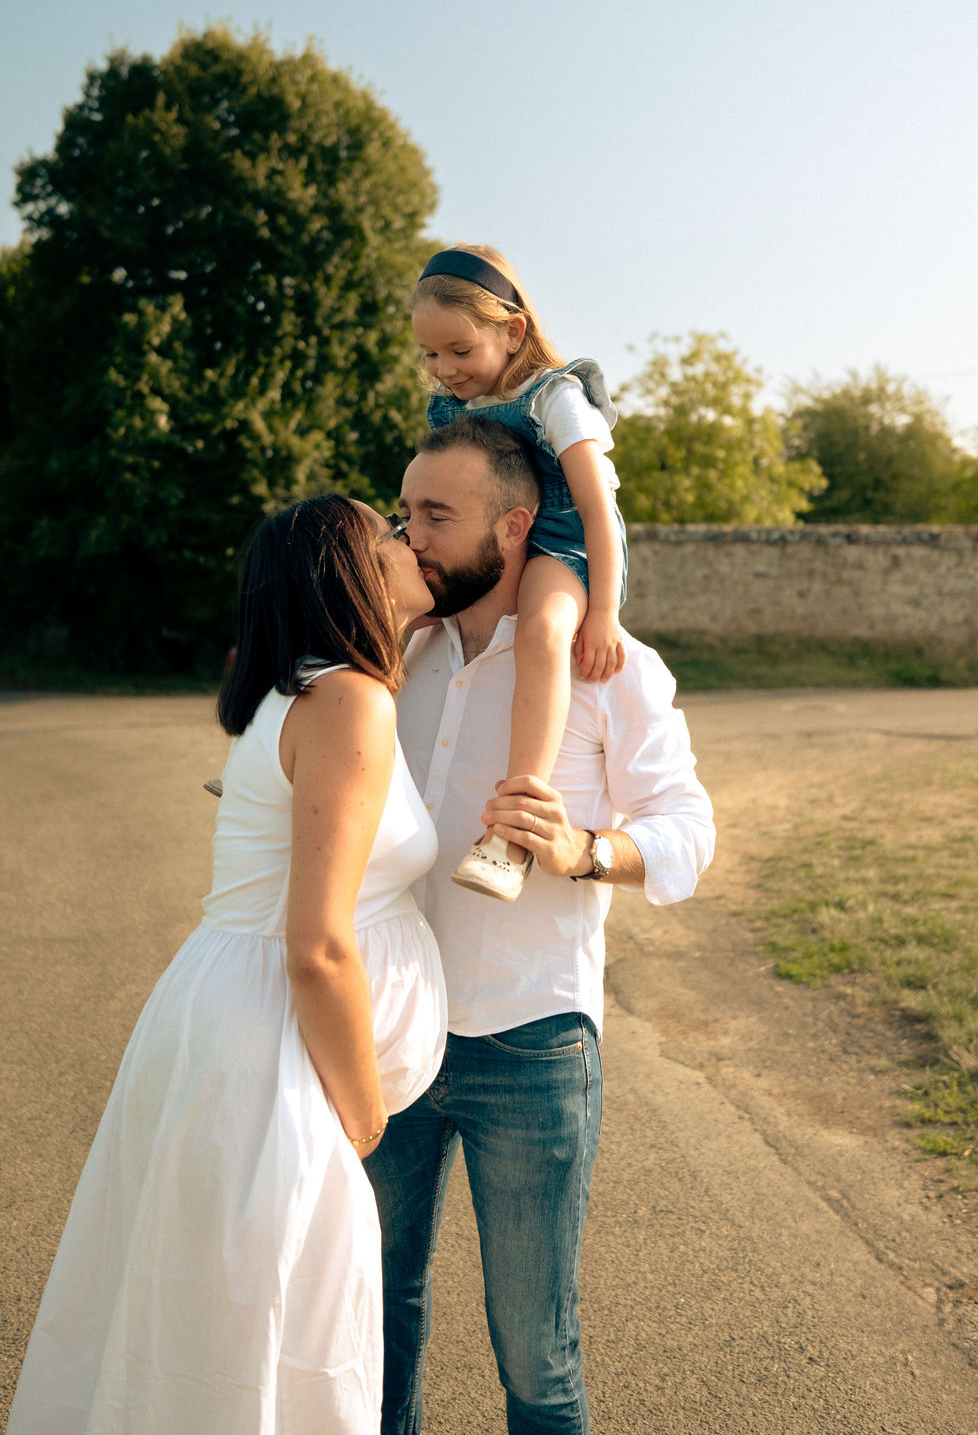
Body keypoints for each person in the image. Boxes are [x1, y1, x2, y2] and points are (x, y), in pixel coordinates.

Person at [8, 496, 448, 1435]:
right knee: (265, 1325)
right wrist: (364, 1110)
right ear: (353, 574)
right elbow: (317, 944)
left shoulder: (308, 691)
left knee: (212, 1316)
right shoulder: (349, 701)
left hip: (232, 1018)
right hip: (273, 1051)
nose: (411, 540)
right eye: (391, 533)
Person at [365, 418, 715, 1435]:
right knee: (369, 1325)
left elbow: (689, 832)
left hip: (531, 1045)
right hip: (385, 1033)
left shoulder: (610, 666)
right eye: (405, 511)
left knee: (536, 1355)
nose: (411, 536)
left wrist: (585, 850)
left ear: (515, 526)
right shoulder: (395, 654)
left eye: (437, 515)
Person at [410, 243, 629, 902]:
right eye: (430, 354)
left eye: (459, 350)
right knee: (381, 597)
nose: (444, 369)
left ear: (512, 331)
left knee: (540, 631)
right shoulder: (452, 405)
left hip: (563, 543)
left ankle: (512, 833)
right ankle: (298, 753)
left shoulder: (554, 398)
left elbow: (598, 510)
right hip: (495, 539)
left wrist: (603, 610)